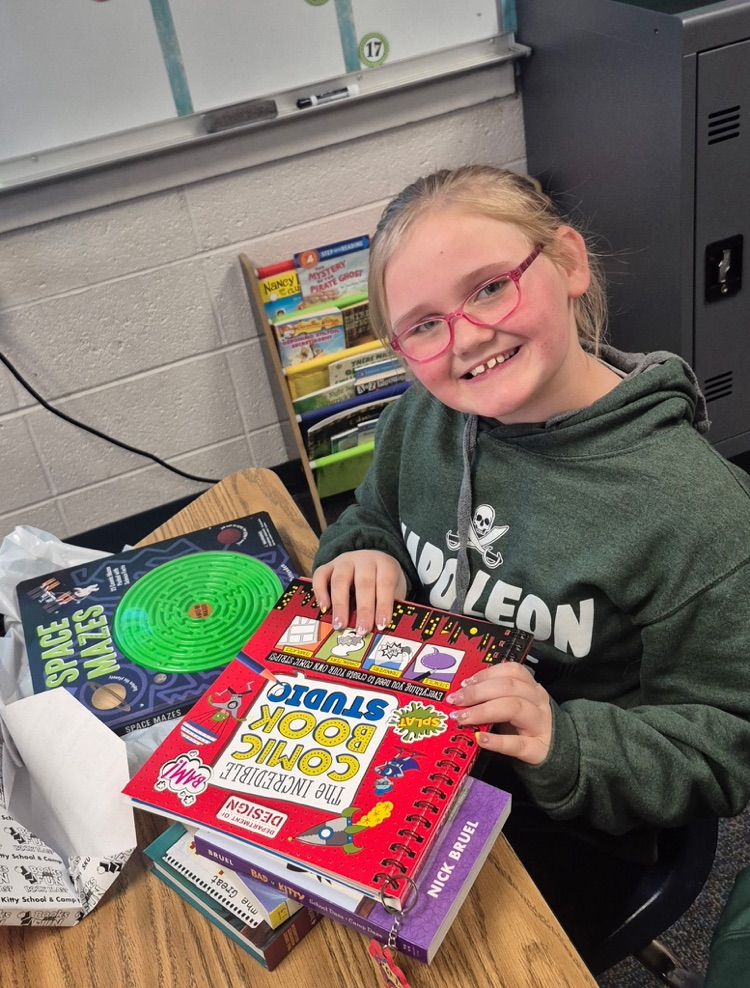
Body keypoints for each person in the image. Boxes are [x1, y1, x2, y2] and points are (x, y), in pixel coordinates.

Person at [311, 165, 750, 963]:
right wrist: (362, 548)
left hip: (571, 814)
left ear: (571, 263)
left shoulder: (699, 513)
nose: (468, 337)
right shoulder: (424, 417)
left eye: (488, 289)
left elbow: (727, 745)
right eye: (422, 326)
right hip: (413, 743)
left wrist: (564, 739)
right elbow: (375, 513)